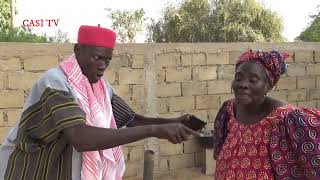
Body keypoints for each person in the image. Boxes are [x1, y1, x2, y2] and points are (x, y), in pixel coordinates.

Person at [0, 25, 200, 180]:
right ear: (78, 50)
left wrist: (173, 122)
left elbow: (132, 120)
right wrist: (155, 131)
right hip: (31, 170)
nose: (103, 66)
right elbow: (80, 137)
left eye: (107, 60)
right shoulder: (55, 83)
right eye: (97, 58)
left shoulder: (100, 88)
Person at [212, 50, 320, 179]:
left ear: (267, 86)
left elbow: (314, 163)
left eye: (253, 80)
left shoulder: (286, 119)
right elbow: (219, 152)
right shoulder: (228, 111)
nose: (243, 85)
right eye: (238, 78)